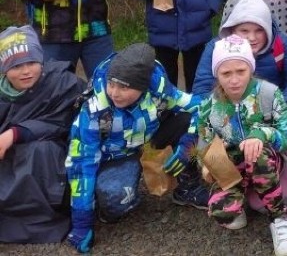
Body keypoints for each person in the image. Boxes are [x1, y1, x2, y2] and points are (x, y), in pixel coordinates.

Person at [64, 44, 202, 253]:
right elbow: (82, 163)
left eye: (124, 87)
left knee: (185, 121)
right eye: (111, 84)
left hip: (144, 141)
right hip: (112, 156)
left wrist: (187, 143)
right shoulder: (94, 110)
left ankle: (187, 187)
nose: (115, 93)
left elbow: (203, 106)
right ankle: (102, 206)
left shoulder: (159, 89)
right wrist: (81, 224)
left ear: (143, 86)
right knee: (114, 199)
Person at [196, 36, 287, 256]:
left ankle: (280, 218)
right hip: (232, 168)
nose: (234, 80)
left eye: (240, 71)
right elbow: (203, 144)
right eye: (226, 73)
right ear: (217, 74)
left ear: (250, 69)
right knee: (221, 212)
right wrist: (207, 165)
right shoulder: (208, 105)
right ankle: (244, 199)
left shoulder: (269, 93)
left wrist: (262, 133)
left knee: (257, 155)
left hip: (269, 161)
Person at [0, 25, 84, 244]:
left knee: (40, 150)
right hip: (7, 158)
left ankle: (43, 218)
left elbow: (66, 121)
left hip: (49, 159)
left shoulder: (64, 83)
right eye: (17, 66)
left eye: (31, 63)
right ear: (4, 69)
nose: (26, 71)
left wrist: (16, 133)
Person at [193, 0, 287, 129]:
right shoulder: (217, 47)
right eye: (244, 31)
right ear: (232, 29)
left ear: (268, 29)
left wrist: (281, 105)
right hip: (229, 107)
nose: (252, 37)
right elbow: (202, 87)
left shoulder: (280, 43)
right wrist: (228, 112)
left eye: (259, 30)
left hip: (273, 103)